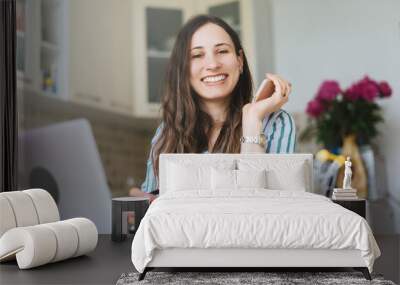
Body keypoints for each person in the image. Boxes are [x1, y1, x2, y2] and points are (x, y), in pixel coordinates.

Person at [129, 15, 295, 202]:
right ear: (183, 70)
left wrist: (252, 118)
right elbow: (153, 202)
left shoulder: (275, 123)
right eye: (197, 55)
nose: (213, 64)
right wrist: (145, 199)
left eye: (222, 51)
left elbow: (259, 204)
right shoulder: (166, 132)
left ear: (239, 61)